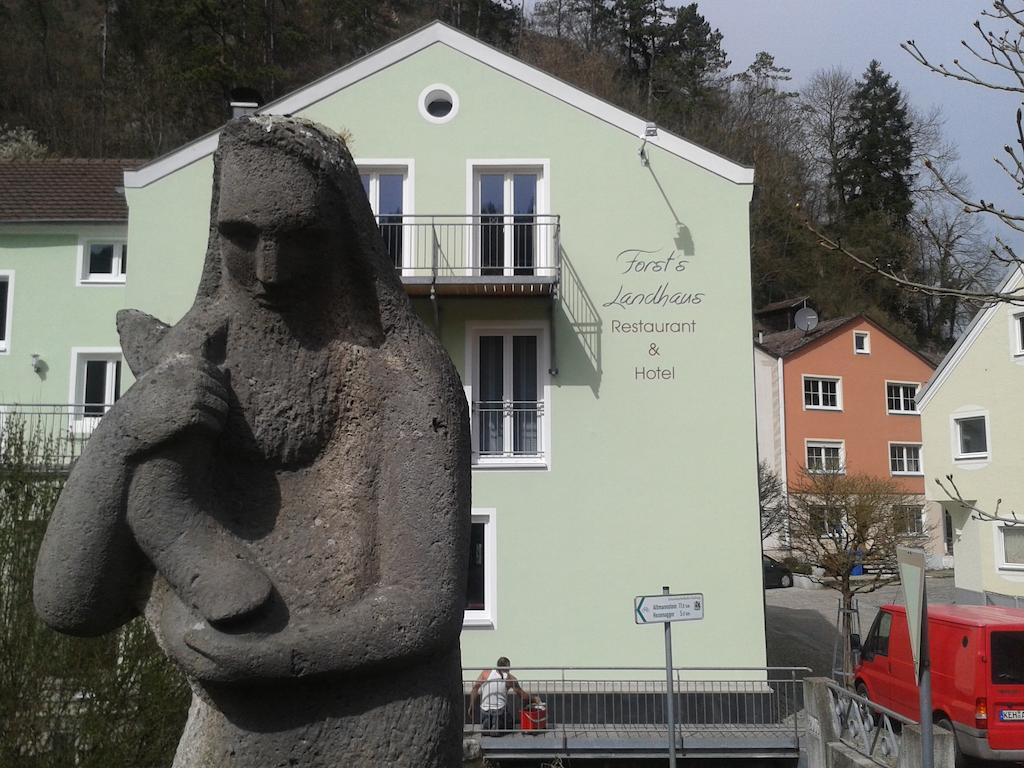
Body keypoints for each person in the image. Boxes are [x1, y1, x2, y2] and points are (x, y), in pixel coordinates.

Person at [469, 657, 530, 735]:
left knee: (489, 719)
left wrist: (471, 705)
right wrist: (534, 699)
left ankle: (488, 725)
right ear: (508, 667)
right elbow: (523, 695)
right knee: (509, 722)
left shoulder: (486, 673)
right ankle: (496, 726)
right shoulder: (509, 678)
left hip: (485, 710)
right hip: (499, 710)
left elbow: (475, 688)